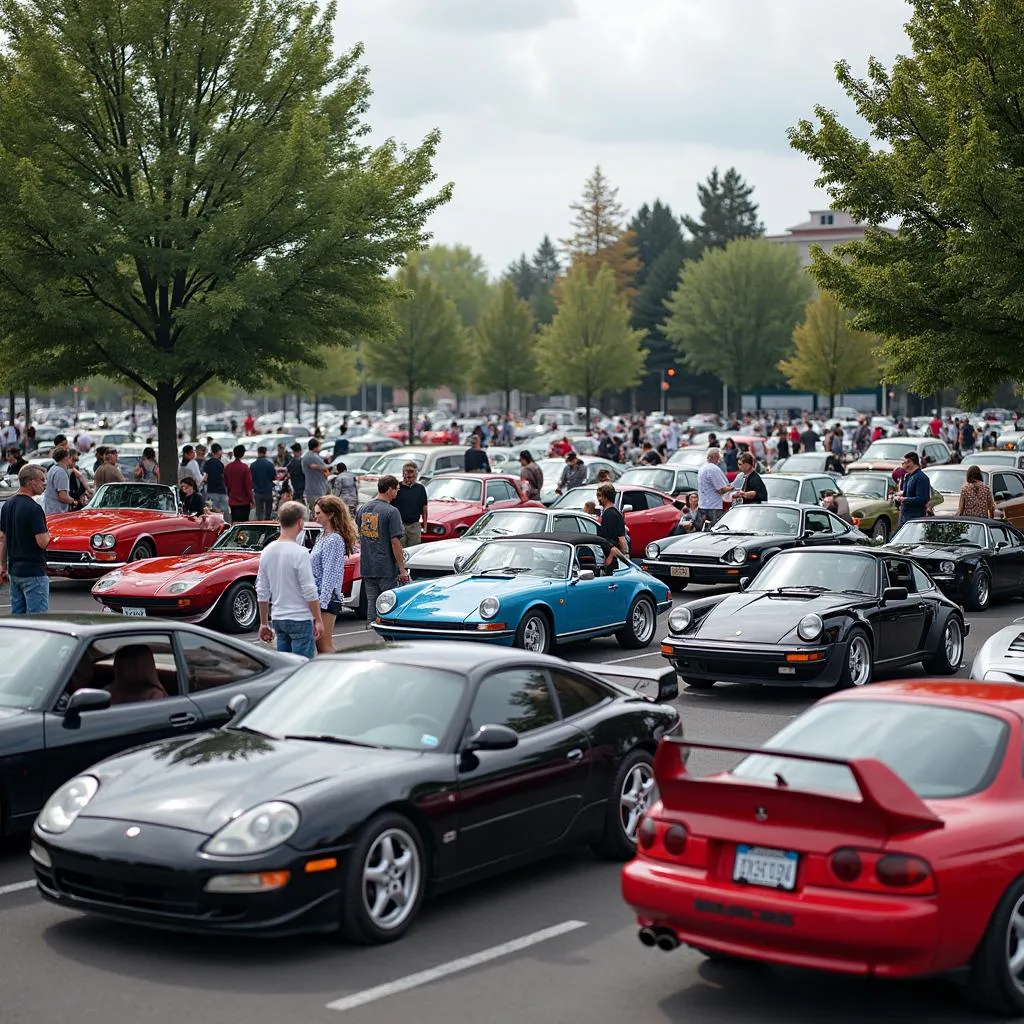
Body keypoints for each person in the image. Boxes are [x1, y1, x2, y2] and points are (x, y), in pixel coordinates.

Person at [255, 500, 322, 658]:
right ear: (300, 523)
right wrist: (318, 619)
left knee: (286, 666)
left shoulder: (267, 551)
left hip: (278, 618)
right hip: (300, 618)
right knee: (302, 667)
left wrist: (263, 622)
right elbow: (309, 590)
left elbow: (262, 589)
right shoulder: (300, 553)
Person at [357, 475, 409, 619]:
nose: (397, 493)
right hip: (385, 567)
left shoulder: (363, 509)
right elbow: (395, 542)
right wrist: (402, 569)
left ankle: (370, 629)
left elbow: (360, 534)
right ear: (390, 490)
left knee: (372, 602)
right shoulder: (391, 512)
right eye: (396, 490)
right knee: (388, 605)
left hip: (367, 566)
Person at [311, 495, 359, 653]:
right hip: (319, 596)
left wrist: (322, 604)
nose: (315, 517)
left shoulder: (334, 540)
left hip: (327, 598)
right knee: (319, 645)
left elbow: (331, 575)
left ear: (330, 514)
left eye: (318, 513)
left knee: (324, 646)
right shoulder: (322, 536)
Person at [0, 465, 50, 613]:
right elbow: (42, 542)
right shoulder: (34, 509)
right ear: (30, 482)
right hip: (34, 572)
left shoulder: (7, 506)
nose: (44, 484)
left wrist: (2, 566)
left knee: (19, 620)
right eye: (41, 480)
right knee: (38, 621)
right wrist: (49, 535)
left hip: (15, 571)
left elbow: (2, 538)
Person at [394, 462, 429, 548]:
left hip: (414, 524)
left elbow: (424, 508)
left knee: (414, 549)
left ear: (416, 474)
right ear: (403, 473)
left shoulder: (420, 488)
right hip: (399, 524)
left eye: (411, 472)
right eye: (407, 471)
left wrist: (425, 526)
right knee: (400, 550)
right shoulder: (397, 487)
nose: (409, 475)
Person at [696, 448, 733, 527]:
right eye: (718, 456)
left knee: (700, 533)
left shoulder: (702, 468)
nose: (719, 459)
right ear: (715, 457)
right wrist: (731, 487)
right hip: (713, 507)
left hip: (702, 506)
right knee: (715, 532)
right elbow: (721, 490)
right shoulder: (713, 469)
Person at [595, 483, 628, 571]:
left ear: (606, 497)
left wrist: (612, 556)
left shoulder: (610, 515)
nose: (598, 499)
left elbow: (621, 539)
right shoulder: (613, 513)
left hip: (613, 561)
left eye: (599, 496)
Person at [893, 451, 930, 526]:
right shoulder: (908, 476)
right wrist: (899, 495)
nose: (902, 465)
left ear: (909, 462)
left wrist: (904, 499)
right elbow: (908, 493)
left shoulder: (921, 477)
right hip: (904, 516)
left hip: (915, 519)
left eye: (903, 462)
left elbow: (922, 499)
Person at [224, 443, 254, 523]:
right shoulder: (244, 468)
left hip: (232, 500)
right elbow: (248, 486)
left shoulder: (228, 467)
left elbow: (226, 483)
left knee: (234, 523)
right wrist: (252, 500)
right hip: (244, 502)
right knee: (244, 524)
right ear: (242, 454)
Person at [301, 438, 330, 513]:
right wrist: (326, 467)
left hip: (318, 489)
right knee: (317, 512)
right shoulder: (310, 456)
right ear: (316, 446)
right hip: (315, 490)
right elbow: (314, 466)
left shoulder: (312, 456)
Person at [43, 447, 75, 515]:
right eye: (70, 457)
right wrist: (73, 501)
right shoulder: (61, 472)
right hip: (58, 513)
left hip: (50, 510)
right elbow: (63, 497)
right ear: (65, 458)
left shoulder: (53, 469)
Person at [250, 445, 277, 520]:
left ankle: (259, 526)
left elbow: (251, 478)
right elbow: (274, 477)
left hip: (257, 492)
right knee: (268, 512)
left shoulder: (253, 465)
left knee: (259, 512)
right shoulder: (270, 465)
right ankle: (268, 524)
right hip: (268, 491)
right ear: (265, 453)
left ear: (258, 452)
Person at [203, 444, 230, 518]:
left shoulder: (207, 463)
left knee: (212, 512)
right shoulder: (220, 464)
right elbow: (224, 476)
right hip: (221, 490)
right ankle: (227, 526)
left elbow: (205, 477)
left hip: (211, 490)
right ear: (219, 451)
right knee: (224, 512)